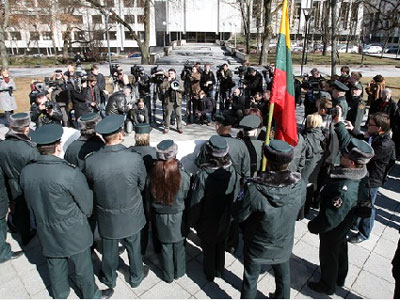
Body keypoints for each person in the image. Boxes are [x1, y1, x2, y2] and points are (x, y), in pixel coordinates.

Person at [20, 124, 112, 299]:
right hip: (73, 229)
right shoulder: (69, 173)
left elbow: (29, 202)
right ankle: (91, 294)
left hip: (46, 228)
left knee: (55, 262)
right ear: (58, 146)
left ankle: (60, 293)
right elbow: (87, 206)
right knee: (83, 265)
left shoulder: (26, 172)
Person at [307, 121, 374, 295]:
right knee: (340, 247)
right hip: (345, 222)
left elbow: (330, 218)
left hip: (336, 226)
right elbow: (347, 143)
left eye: (344, 155)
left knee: (329, 252)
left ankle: (327, 284)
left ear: (352, 163)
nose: (341, 155)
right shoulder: (360, 170)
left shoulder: (344, 189)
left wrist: (314, 226)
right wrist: (339, 124)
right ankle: (340, 276)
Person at [84, 115, 149, 290]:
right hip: (131, 211)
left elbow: (91, 187)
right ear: (120, 134)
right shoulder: (134, 158)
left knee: (109, 248)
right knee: (134, 247)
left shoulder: (91, 161)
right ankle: (136, 277)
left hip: (107, 212)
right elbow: (142, 184)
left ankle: (109, 278)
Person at [238, 139, 306, 299]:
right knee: (283, 277)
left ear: (267, 160)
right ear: (288, 162)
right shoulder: (300, 184)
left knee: (250, 279)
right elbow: (298, 208)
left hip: (258, 245)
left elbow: (241, 215)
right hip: (283, 242)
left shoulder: (254, 188)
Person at [190, 135, 240, 282]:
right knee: (220, 245)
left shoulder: (203, 175)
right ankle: (219, 270)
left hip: (207, 220)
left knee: (209, 248)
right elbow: (235, 197)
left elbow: (196, 201)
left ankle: (209, 273)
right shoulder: (232, 172)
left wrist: (192, 220)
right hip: (224, 218)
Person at [347, 112, 395, 243]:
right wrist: (353, 130)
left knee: (368, 206)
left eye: (371, 124)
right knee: (360, 201)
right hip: (365, 175)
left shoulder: (385, 144)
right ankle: (355, 224)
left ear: (379, 128)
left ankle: (364, 233)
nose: (368, 125)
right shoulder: (375, 136)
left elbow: (366, 154)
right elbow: (363, 136)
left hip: (372, 179)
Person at [147, 140, 191, 283]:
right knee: (179, 245)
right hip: (178, 216)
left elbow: (149, 197)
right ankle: (180, 272)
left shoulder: (152, 175)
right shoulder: (183, 175)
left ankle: (168, 276)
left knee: (165, 247)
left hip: (160, 217)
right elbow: (187, 195)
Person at [0, 113, 38, 246]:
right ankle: (29, 233)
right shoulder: (28, 149)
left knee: (19, 210)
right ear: (26, 128)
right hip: (26, 183)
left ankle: (23, 234)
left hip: (10, 182)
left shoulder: (2, 145)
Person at [130, 124, 159, 255]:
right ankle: (158, 248)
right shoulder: (154, 152)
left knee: (141, 224)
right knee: (155, 221)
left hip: (135, 193)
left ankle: (141, 249)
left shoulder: (129, 151)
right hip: (151, 192)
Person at [300, 113, 325, 218]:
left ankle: (300, 213)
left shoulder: (306, 137)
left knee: (302, 188)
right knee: (310, 187)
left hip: (306, 166)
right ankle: (306, 210)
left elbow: (303, 154)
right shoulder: (322, 135)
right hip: (315, 167)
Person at [160, 69, 184, 134]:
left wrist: (177, 88)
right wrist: (168, 81)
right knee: (167, 115)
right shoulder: (166, 80)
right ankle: (167, 127)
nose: (170, 74)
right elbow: (161, 87)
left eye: (172, 73)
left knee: (178, 115)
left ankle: (179, 127)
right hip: (169, 100)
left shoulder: (179, 80)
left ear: (175, 74)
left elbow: (182, 89)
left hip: (177, 100)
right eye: (169, 73)